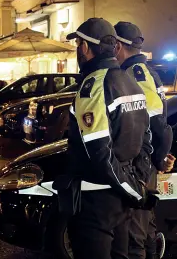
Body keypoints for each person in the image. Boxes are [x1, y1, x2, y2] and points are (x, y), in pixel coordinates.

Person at [54, 18, 156, 259]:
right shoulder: (130, 80)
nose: (78, 49)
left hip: (96, 199)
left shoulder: (94, 85)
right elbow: (146, 138)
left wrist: (131, 190)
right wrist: (135, 184)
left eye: (78, 43)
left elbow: (100, 152)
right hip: (122, 197)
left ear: (87, 48)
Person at [114, 21, 175, 259]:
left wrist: (158, 158)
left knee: (133, 236)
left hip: (140, 163)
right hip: (146, 162)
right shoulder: (146, 72)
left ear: (118, 46)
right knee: (144, 231)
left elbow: (157, 123)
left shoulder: (134, 75)